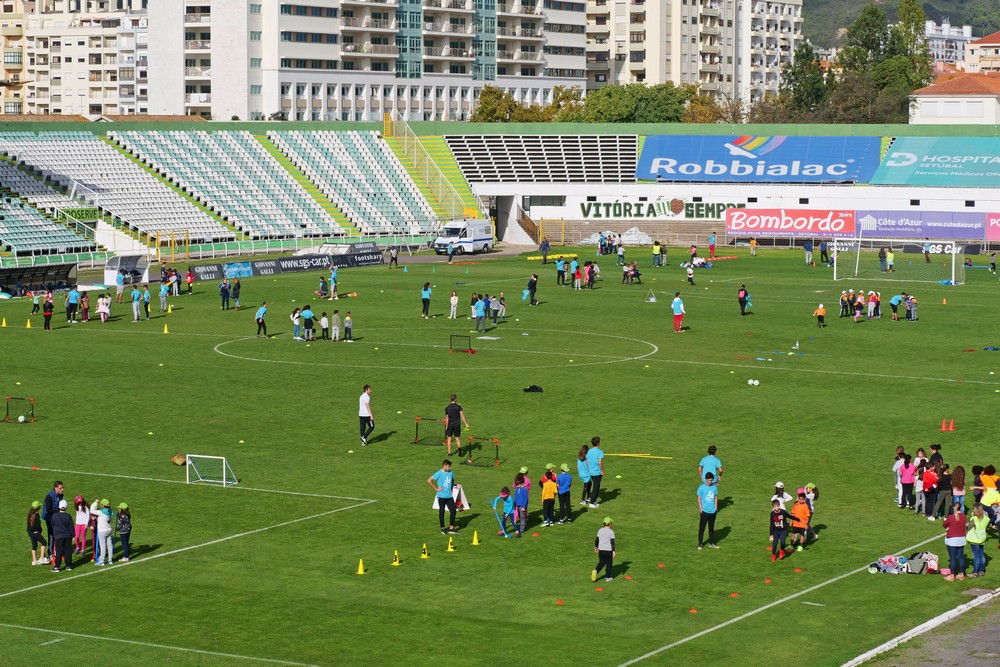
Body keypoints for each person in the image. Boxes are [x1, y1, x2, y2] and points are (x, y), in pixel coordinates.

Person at [427, 459, 459, 535]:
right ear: (444, 465)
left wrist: (451, 488)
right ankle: (443, 528)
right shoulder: (439, 473)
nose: (450, 468)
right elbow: (429, 480)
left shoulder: (451, 473)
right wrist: (436, 489)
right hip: (441, 496)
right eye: (449, 466)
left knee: (453, 510)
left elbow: (453, 480)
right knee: (442, 511)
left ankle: (451, 528)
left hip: (449, 496)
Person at [942, 503, 967, 581]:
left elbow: (944, 524)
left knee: (952, 557)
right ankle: (961, 574)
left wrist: (948, 527)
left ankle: (952, 575)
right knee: (960, 556)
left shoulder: (951, 517)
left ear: (953, 508)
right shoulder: (964, 516)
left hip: (952, 540)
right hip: (961, 539)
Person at [697, 472, 719, 550]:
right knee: (702, 528)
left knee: (711, 528)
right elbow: (699, 499)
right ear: (706, 479)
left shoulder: (714, 488)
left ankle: (711, 543)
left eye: (711, 480)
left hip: (713, 512)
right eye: (708, 480)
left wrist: (716, 509)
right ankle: (700, 544)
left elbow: (716, 498)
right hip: (704, 512)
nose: (710, 482)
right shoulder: (701, 487)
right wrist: (701, 510)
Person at [42, 480, 64, 558]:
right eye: (60, 488)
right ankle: (50, 553)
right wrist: (58, 512)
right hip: (49, 517)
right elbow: (48, 509)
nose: (62, 489)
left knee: (57, 534)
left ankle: (57, 550)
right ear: (56, 488)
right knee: (51, 535)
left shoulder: (60, 495)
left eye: (62, 488)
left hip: (55, 517)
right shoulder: (50, 496)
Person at [51, 499, 74, 572]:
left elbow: (52, 525)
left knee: (59, 551)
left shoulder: (55, 516)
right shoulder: (68, 516)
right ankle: (69, 566)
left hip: (58, 536)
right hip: (67, 536)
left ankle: (57, 566)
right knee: (68, 551)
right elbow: (71, 527)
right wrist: (73, 535)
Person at [592, 516, 616, 582]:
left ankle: (596, 570)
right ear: (610, 524)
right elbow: (612, 542)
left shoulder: (600, 530)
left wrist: (596, 547)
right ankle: (607, 577)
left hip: (601, 550)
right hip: (608, 551)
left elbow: (597, 540)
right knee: (609, 564)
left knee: (601, 562)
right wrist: (613, 551)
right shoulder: (611, 532)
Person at [967, 503, 988, 578]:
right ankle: (982, 571)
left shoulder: (974, 519)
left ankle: (975, 572)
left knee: (976, 556)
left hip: (975, 540)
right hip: (982, 539)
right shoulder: (985, 518)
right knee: (981, 555)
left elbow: (968, 527)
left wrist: (972, 517)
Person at [586, 436, 605, 508]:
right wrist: (602, 471)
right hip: (597, 472)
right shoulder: (600, 452)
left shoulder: (589, 451)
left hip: (591, 472)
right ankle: (592, 502)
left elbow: (587, 462)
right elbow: (600, 462)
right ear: (598, 443)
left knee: (597, 485)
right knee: (596, 487)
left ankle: (594, 501)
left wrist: (589, 469)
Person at [27, 500, 47, 565]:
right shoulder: (37, 515)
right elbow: (38, 525)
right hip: (35, 532)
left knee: (34, 545)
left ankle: (34, 561)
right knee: (44, 542)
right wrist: (40, 531)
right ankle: (41, 558)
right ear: (38, 508)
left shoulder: (30, 513)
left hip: (30, 532)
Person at [94, 499, 113, 566]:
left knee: (103, 546)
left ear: (103, 505)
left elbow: (91, 510)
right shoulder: (110, 511)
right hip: (109, 529)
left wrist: (95, 502)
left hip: (102, 531)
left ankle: (101, 561)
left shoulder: (101, 512)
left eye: (101, 504)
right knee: (109, 545)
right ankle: (110, 560)